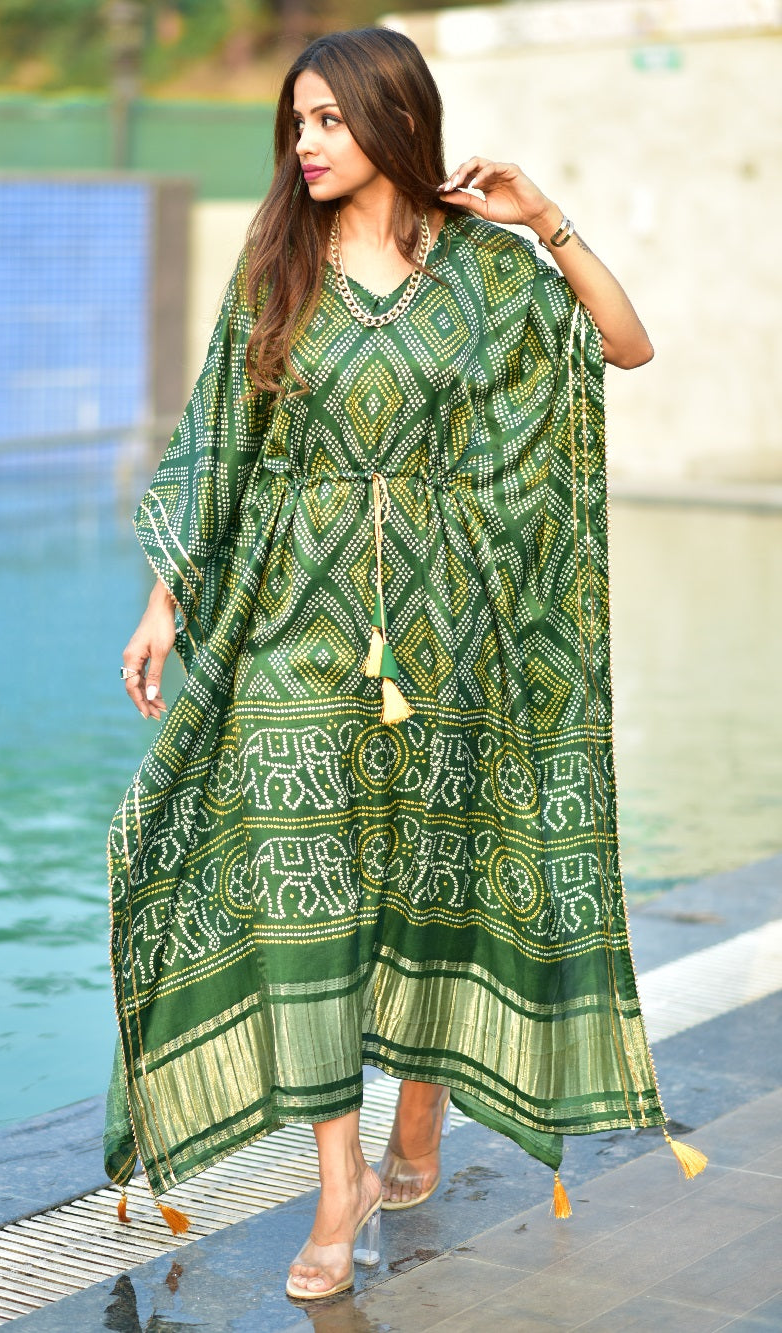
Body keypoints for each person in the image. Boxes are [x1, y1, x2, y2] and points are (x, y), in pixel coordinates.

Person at [106, 25, 705, 1303]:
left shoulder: (485, 268)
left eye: (329, 119)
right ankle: (340, 1180)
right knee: (303, 888)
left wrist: (545, 219)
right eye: (297, 122)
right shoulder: (275, 263)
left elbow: (625, 345)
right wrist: (164, 599)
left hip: (452, 622)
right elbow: (218, 442)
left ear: (393, 119)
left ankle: (419, 1106)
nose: (306, 143)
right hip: (292, 621)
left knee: (432, 871)